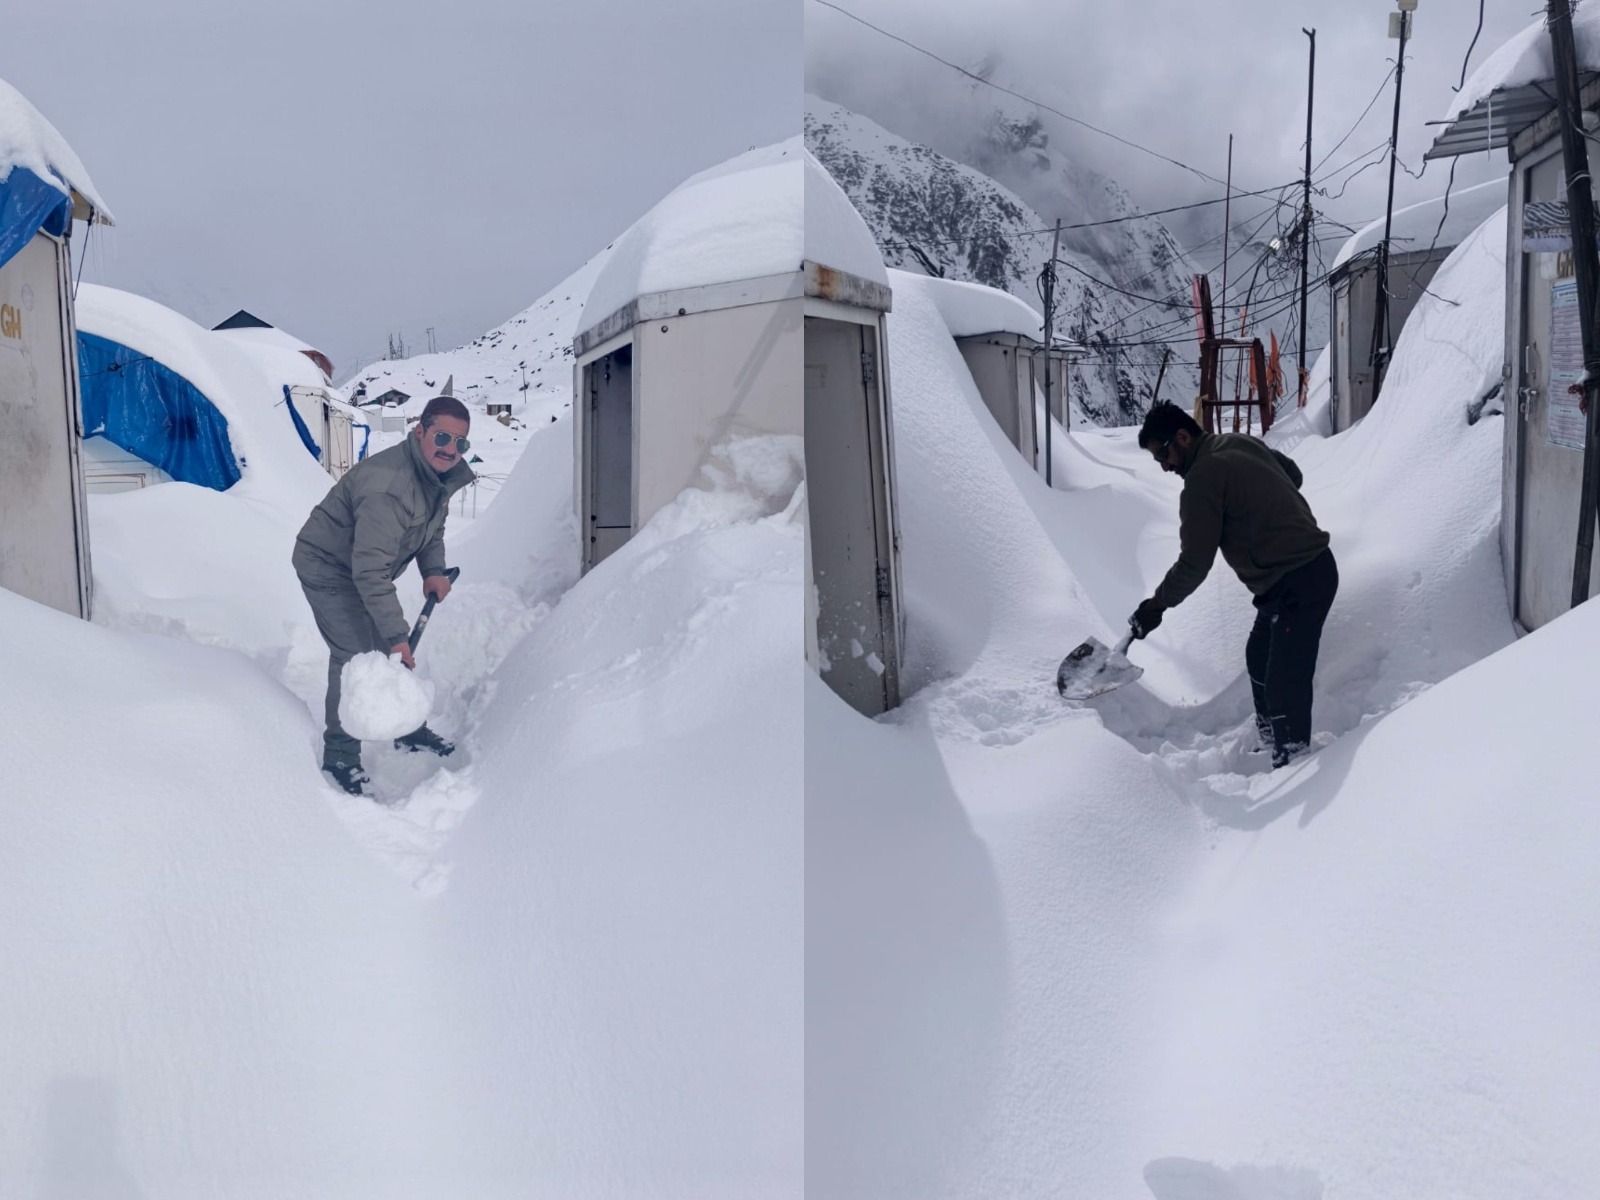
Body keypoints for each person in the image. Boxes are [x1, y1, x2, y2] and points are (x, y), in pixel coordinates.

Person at [1130, 402, 1337, 769]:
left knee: (1284, 682)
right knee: (1258, 657)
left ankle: (1294, 764)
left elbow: (1195, 563)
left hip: (1298, 580)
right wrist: (1256, 505)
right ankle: (1271, 738)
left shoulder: (1201, 479)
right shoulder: (1237, 442)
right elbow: (1293, 474)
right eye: (1157, 460)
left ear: (1182, 436)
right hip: (1298, 577)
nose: (1165, 466)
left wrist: (1156, 606)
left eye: (1164, 454)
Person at [292, 395, 475, 795]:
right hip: (327, 564)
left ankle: (406, 728)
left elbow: (433, 528)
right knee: (356, 654)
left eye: (460, 442)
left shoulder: (435, 477)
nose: (450, 449)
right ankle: (340, 755)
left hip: (362, 566)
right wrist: (396, 635)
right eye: (442, 436)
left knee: (388, 649)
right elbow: (369, 571)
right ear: (420, 431)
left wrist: (433, 571)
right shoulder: (389, 487)